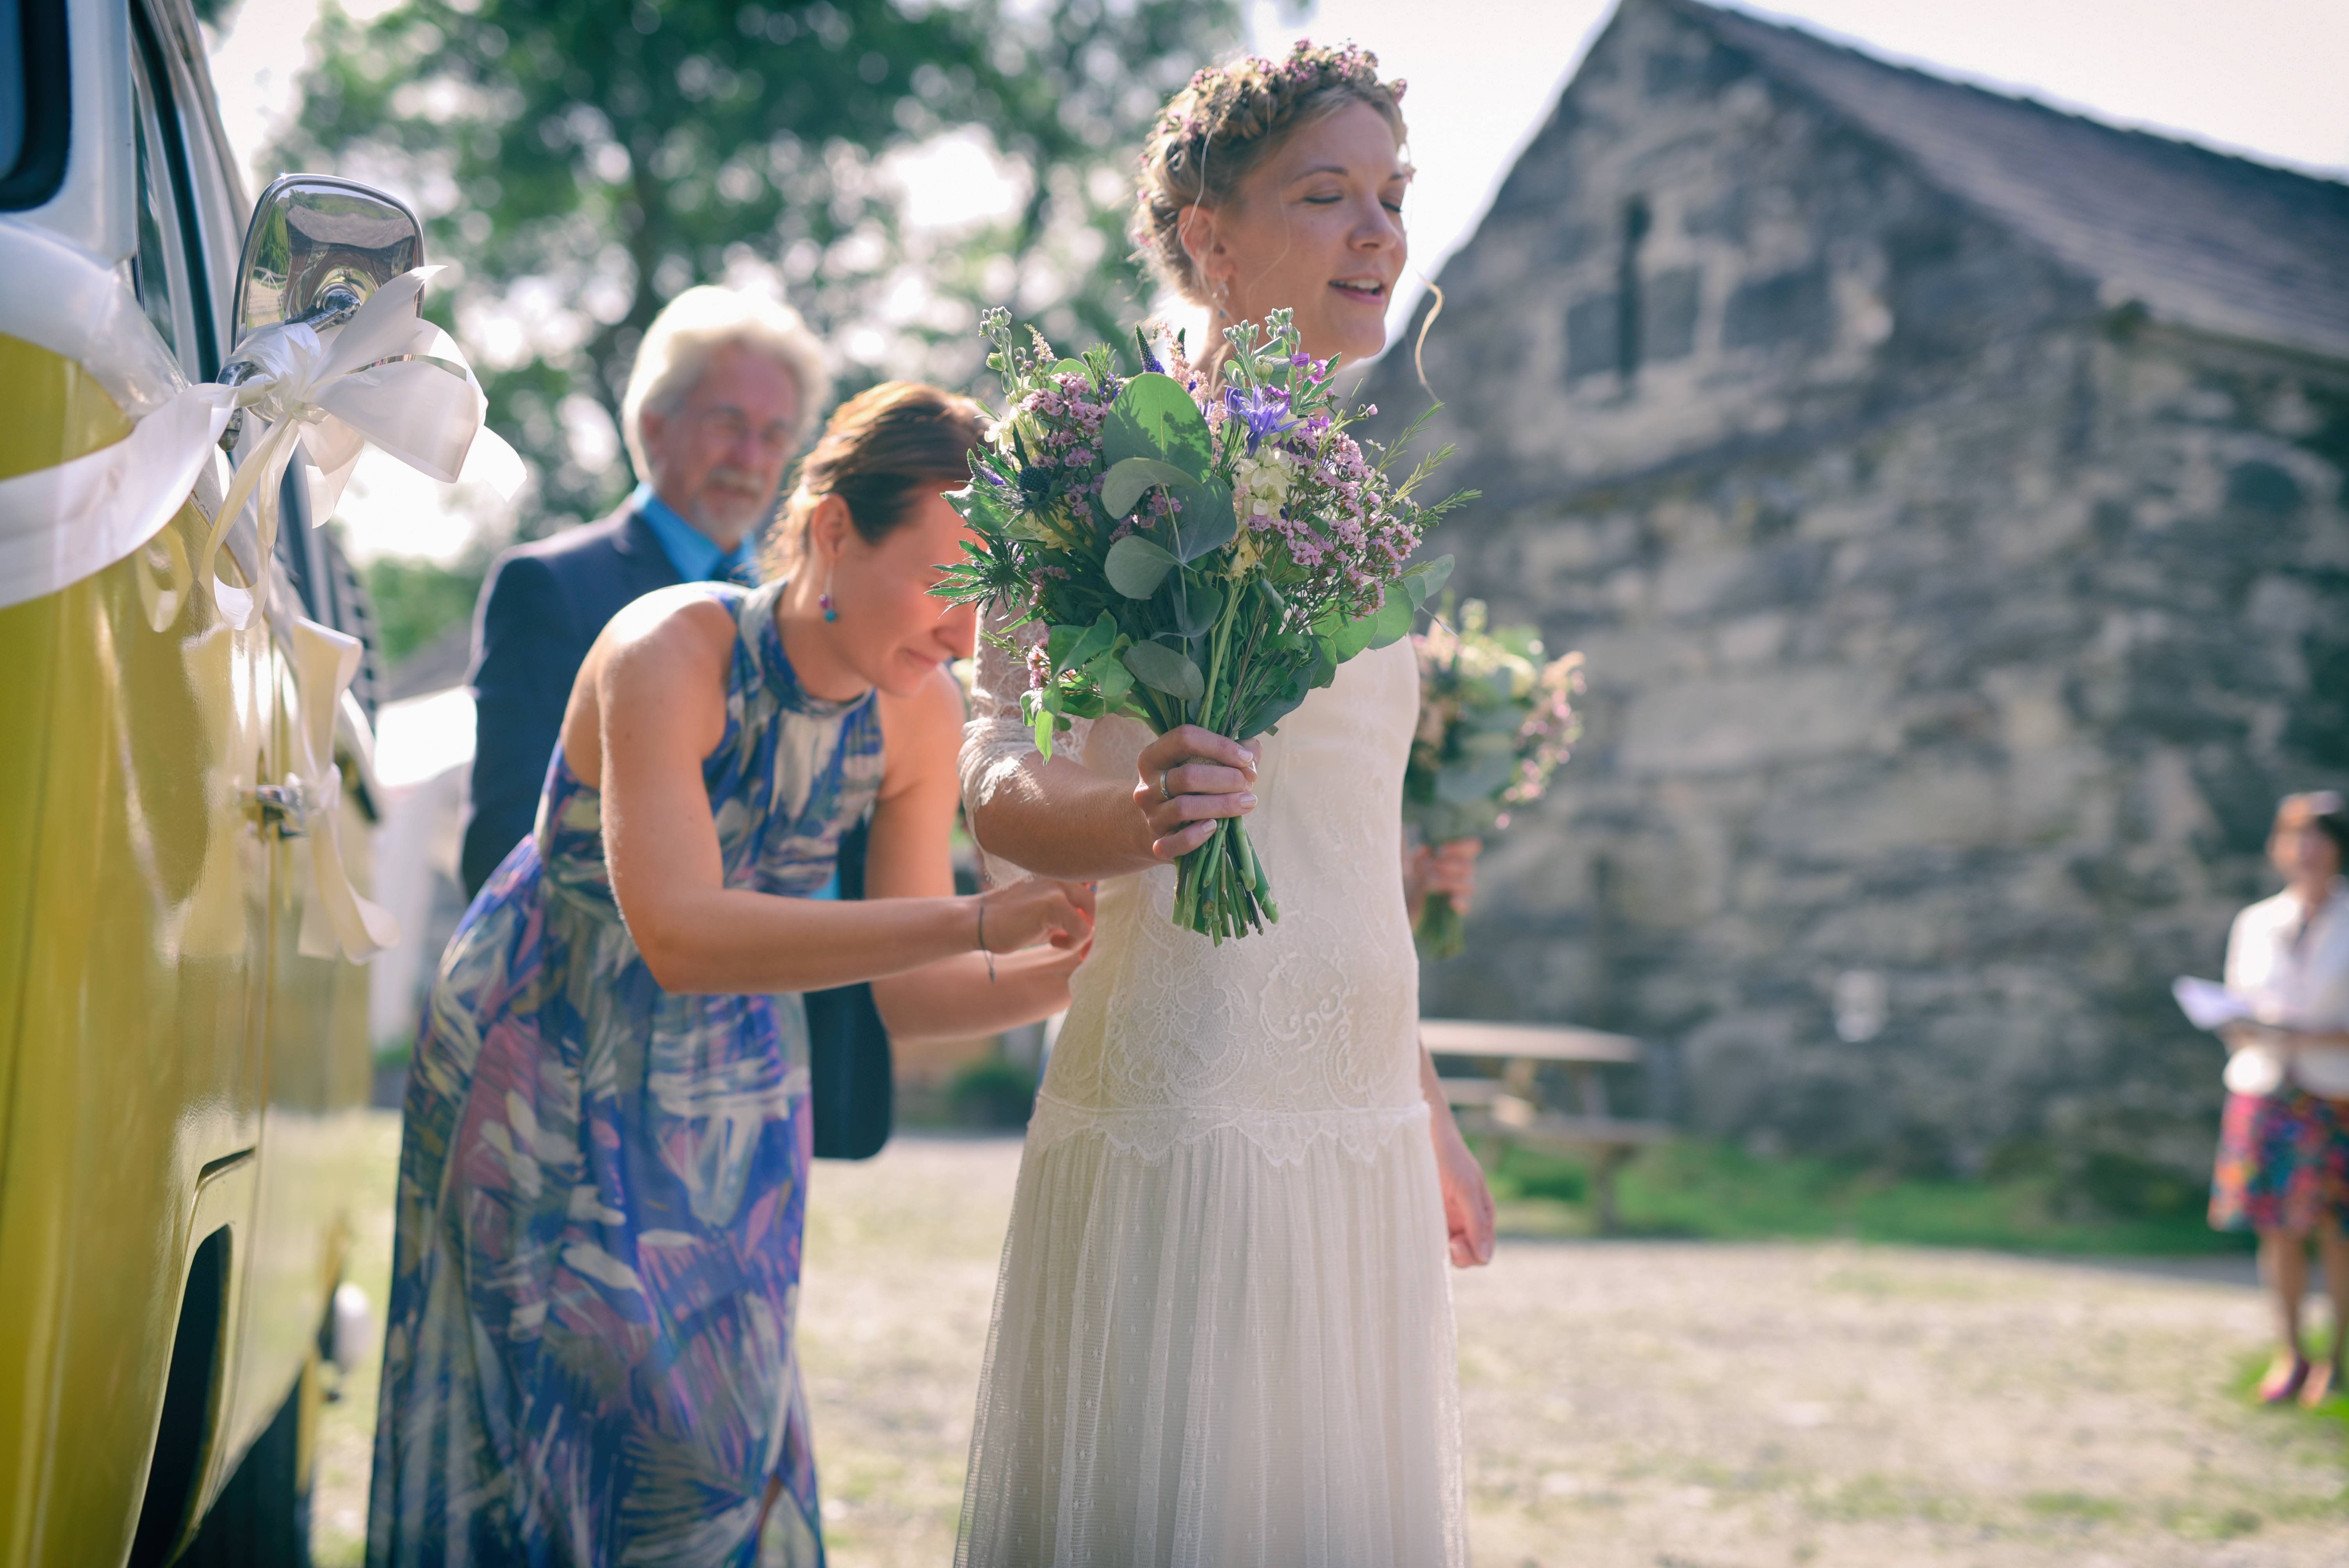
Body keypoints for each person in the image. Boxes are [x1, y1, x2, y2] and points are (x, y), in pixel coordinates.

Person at [369, 383, 1094, 1567]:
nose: (968, 633)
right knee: (551, 1404)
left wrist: (1077, 969)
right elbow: (683, 934)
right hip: (548, 1044)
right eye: (945, 582)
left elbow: (913, 996)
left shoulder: (917, 716)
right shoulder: (671, 647)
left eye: (987, 600)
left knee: (716, 1424)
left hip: (732, 1084)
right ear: (833, 532)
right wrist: (973, 917)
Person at [954, 43, 1486, 1566]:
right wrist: (1128, 822)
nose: (1380, 233)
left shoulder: (1360, 500)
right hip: (1190, 1078)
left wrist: (1431, 1111)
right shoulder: (1070, 451)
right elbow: (996, 772)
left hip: (1362, 1108)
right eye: (1329, 196)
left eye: (1392, 196)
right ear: (1208, 233)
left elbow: (1340, 847)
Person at [462, 285, 828, 898]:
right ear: (654, 427)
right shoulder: (550, 588)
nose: (750, 458)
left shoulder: (806, 608)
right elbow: (506, 848)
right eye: (729, 424)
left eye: (774, 437)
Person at [2210, 789, 2349, 1408]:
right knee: (2276, 1228)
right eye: (2294, 836)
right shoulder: (2256, 921)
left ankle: (2338, 1360)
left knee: (2338, 1230)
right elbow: (2240, 1004)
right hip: (2267, 1087)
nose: (2305, 849)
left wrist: (2302, 1032)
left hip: (2336, 1092)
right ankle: (2289, 1353)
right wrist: (2245, 1026)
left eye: (2317, 836)